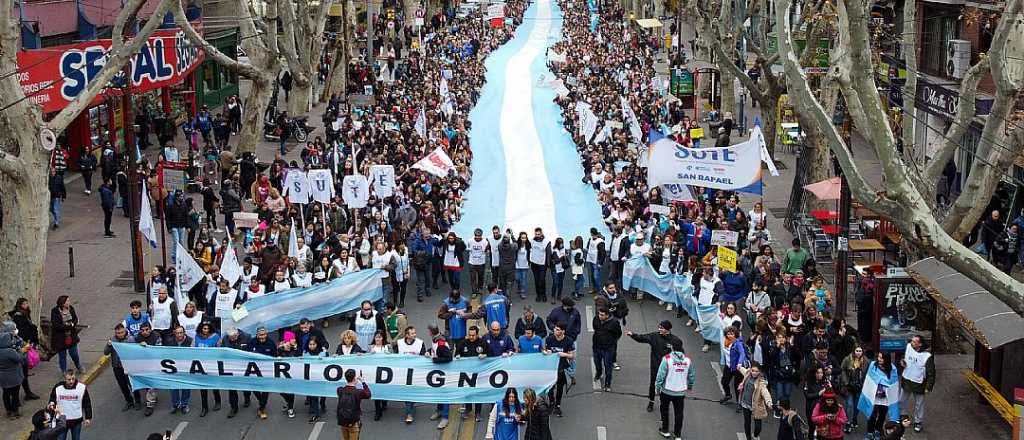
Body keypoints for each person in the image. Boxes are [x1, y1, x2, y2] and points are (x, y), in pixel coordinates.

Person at [627, 320, 682, 413]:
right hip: (656, 367)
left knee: (666, 387)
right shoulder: (654, 336)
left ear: (668, 330)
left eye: (662, 328)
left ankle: (664, 404)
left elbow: (680, 354)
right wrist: (633, 335)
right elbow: (642, 338)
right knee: (653, 385)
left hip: (669, 369)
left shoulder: (675, 341)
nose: (659, 329)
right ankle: (651, 401)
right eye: (659, 327)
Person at [654, 339, 694, 440]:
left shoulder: (667, 359)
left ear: (672, 347)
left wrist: (657, 387)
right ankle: (677, 435)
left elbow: (660, 375)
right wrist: (689, 386)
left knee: (664, 410)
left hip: (666, 390)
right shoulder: (687, 360)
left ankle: (665, 430)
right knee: (679, 413)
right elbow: (691, 375)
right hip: (680, 392)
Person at [859, 352, 901, 439]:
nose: (879, 359)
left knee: (882, 415)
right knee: (872, 415)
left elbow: (893, 383)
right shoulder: (873, 365)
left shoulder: (892, 369)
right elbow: (869, 379)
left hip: (886, 398)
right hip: (874, 397)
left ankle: (878, 431)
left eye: (881, 358)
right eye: (878, 357)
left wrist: (885, 386)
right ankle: (870, 432)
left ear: (886, 359)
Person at [899, 335, 935, 432]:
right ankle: (903, 415)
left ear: (920, 344)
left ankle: (918, 421)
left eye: (914, 342)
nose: (912, 343)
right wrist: (902, 362)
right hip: (907, 379)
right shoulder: (908, 347)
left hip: (919, 383)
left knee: (919, 404)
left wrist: (928, 387)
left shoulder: (927, 356)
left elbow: (931, 373)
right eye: (912, 341)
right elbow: (904, 357)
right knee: (902, 400)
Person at [8, 298, 40, 400]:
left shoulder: (25, 314)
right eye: (25, 303)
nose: (27, 305)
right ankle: (16, 400)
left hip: (26, 344)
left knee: (24, 373)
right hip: (22, 346)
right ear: (20, 305)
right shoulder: (18, 316)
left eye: (27, 303)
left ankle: (27, 393)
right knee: (20, 374)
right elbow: (22, 331)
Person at [395, 326, 428, 423]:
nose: (415, 335)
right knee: (407, 392)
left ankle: (409, 412)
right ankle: (410, 410)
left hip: (415, 373)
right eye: (412, 333)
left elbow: (423, 357)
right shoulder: (399, 343)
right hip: (403, 373)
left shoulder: (420, 343)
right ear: (407, 335)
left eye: (415, 333)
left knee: (411, 392)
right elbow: (394, 358)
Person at [48, 370, 91, 440]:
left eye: (73, 379)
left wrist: (88, 417)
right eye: (69, 379)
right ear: (65, 379)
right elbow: (52, 398)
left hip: (76, 420)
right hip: (61, 421)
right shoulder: (58, 387)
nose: (71, 381)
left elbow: (87, 403)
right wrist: (51, 403)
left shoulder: (81, 388)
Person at [543, 323, 575, 417]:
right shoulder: (549, 339)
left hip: (562, 367)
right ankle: (551, 402)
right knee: (550, 387)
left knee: (560, 387)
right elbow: (545, 350)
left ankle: (558, 405)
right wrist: (546, 352)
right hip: (551, 367)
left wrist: (564, 354)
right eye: (555, 329)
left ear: (563, 331)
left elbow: (572, 355)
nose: (555, 331)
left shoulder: (568, 341)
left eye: (557, 329)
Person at [737, 363, 774, 440]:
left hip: (756, 406)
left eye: (756, 371)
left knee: (758, 427)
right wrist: (739, 367)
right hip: (745, 404)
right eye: (753, 370)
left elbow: (765, 393)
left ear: (759, 372)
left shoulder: (761, 383)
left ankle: (755, 435)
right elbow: (743, 370)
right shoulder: (747, 374)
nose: (754, 372)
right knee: (747, 423)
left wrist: (769, 402)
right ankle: (748, 437)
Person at [103, 324, 135, 411]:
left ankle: (138, 400)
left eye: (121, 332)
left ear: (125, 331)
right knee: (123, 385)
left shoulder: (130, 339)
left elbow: (135, 351)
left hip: (128, 366)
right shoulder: (113, 340)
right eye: (118, 333)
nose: (120, 334)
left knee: (132, 384)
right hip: (117, 367)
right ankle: (129, 401)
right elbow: (106, 353)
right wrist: (109, 345)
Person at [248, 327, 277, 420]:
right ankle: (261, 401)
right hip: (254, 370)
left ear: (266, 334)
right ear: (257, 335)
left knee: (265, 389)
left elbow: (274, 357)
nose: (262, 337)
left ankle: (262, 408)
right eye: (260, 335)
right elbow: (246, 355)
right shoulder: (252, 342)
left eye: (264, 335)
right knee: (254, 387)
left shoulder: (271, 343)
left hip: (266, 371)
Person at [1, 321, 28, 419]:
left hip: (3, 377)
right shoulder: (10, 351)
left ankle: (8, 411)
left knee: (6, 393)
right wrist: (24, 352)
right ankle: (14, 411)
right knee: (15, 394)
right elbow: (20, 358)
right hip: (14, 376)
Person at [193, 322, 221, 417]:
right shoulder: (197, 337)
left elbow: (219, 349)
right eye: (204, 328)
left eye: (207, 328)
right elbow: (192, 349)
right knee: (203, 387)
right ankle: (204, 407)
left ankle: (218, 402)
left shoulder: (216, 337)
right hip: (200, 366)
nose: (205, 330)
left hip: (212, 364)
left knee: (214, 385)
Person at [50, 296, 83, 373]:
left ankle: (78, 365)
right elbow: (56, 325)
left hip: (71, 336)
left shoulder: (71, 308)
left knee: (74, 354)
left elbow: (75, 319)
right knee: (62, 356)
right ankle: (64, 371)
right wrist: (68, 326)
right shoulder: (55, 311)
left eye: (69, 301)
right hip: (60, 338)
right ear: (62, 303)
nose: (69, 303)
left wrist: (72, 325)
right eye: (67, 301)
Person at [838, 345, 868, 432]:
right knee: (849, 404)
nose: (858, 353)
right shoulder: (847, 359)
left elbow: (867, 373)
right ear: (853, 351)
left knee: (856, 405)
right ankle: (848, 422)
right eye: (857, 351)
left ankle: (854, 418)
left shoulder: (865, 361)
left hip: (859, 387)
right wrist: (846, 381)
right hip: (849, 386)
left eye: (860, 351)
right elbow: (842, 369)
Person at [591, 307, 621, 391]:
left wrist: (611, 342)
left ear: (607, 315)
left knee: (608, 367)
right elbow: (595, 328)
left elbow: (618, 334)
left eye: (602, 315)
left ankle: (608, 384)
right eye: (599, 314)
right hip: (596, 346)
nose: (599, 316)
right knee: (597, 363)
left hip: (608, 349)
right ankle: (599, 373)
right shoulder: (596, 319)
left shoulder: (614, 322)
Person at [336, 369, 371, 440]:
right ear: (355, 378)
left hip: (342, 420)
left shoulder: (340, 390)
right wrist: (363, 382)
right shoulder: (358, 392)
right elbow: (368, 394)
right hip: (353, 421)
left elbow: (346, 388)